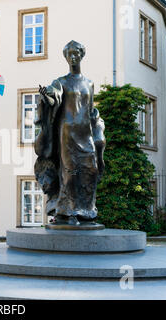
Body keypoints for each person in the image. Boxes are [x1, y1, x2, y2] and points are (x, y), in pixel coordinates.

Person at [35, 40, 106, 225]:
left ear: (82, 55)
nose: (73, 57)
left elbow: (91, 110)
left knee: (90, 170)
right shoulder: (61, 82)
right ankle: (68, 212)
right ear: (66, 58)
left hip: (86, 132)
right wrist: (47, 96)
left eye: (76, 53)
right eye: (69, 54)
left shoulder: (89, 84)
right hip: (67, 133)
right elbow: (54, 96)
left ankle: (87, 211)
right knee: (70, 173)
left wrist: (99, 132)